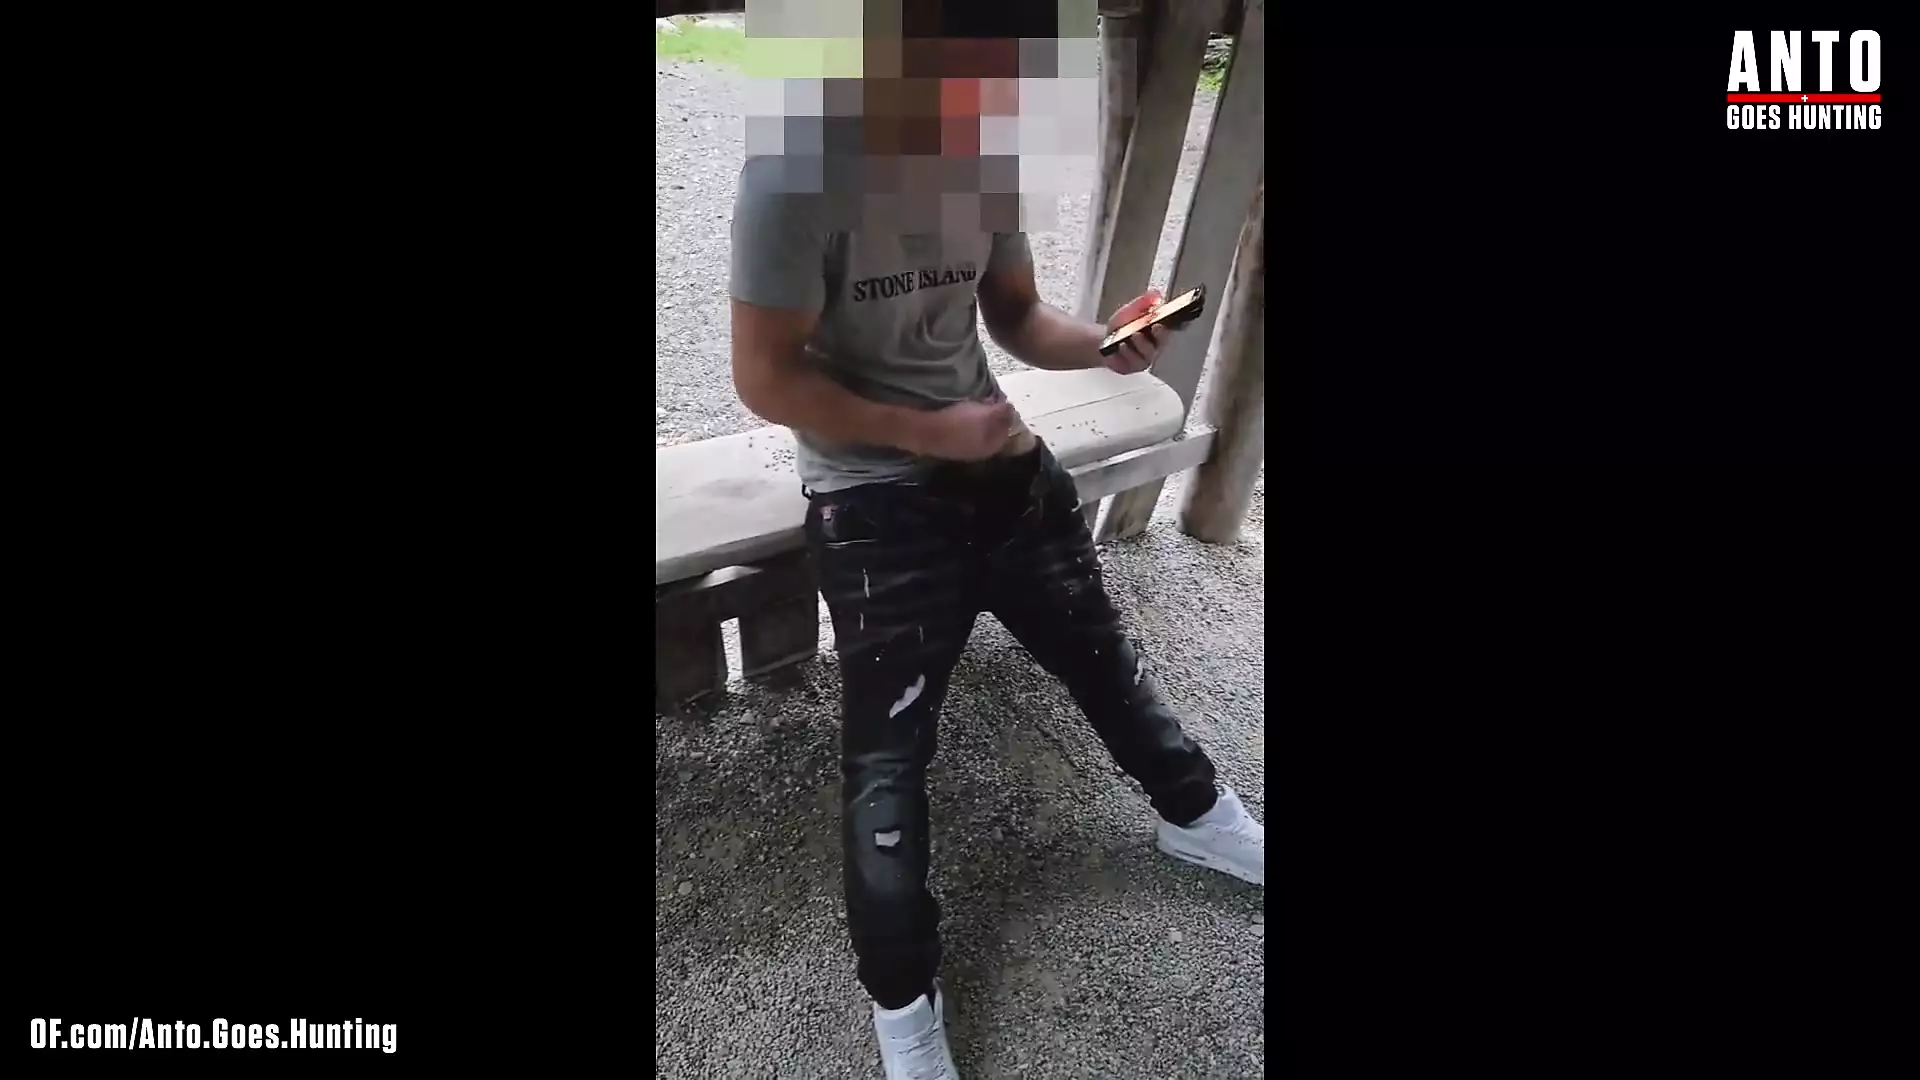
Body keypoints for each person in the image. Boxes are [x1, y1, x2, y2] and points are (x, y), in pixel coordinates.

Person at [726, 9, 1263, 1078]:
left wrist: (1108, 343)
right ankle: (901, 1001)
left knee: (1106, 661)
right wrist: (925, 432)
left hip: (1008, 469)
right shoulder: (792, 176)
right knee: (888, 763)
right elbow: (765, 376)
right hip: (875, 504)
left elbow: (1015, 315)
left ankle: (1198, 814)